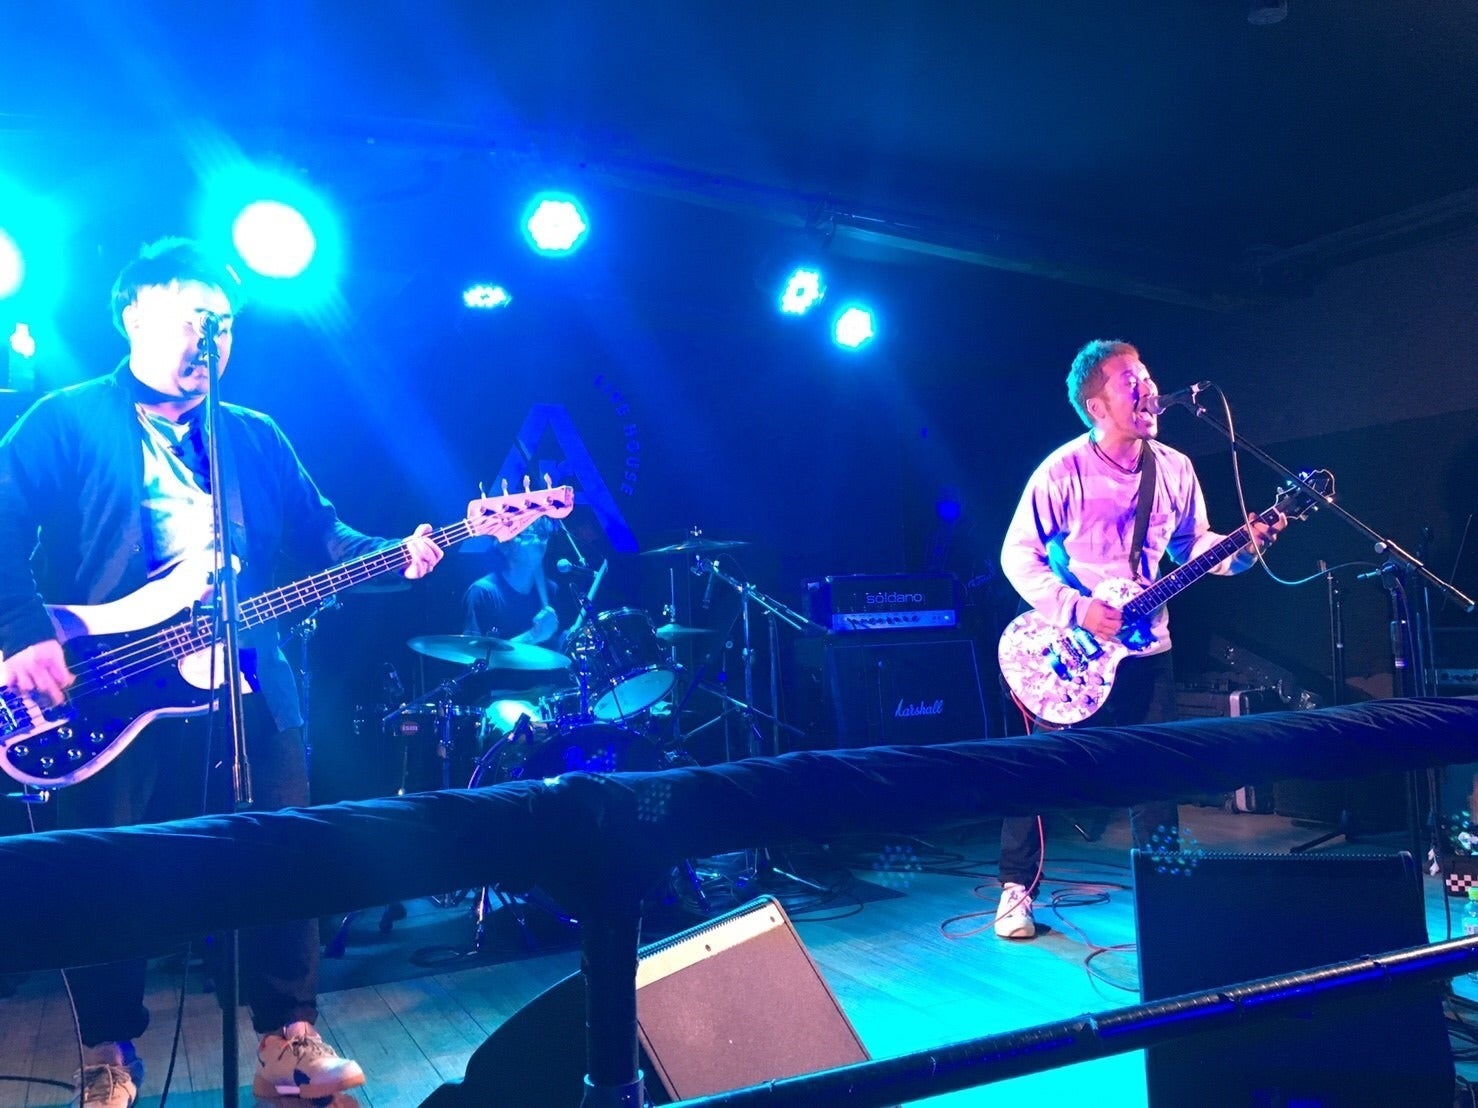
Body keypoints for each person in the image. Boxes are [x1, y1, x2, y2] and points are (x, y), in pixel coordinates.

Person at [0, 237, 444, 1104]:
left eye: (226, 324)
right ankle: (108, 1056)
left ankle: (288, 1039)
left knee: (284, 850)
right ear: (133, 314)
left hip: (247, 681)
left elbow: (325, 536)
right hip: (107, 682)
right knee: (106, 871)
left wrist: (400, 551)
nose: (211, 338)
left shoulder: (253, 436)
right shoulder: (66, 418)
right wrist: (22, 635)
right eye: (192, 318)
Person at [993, 339, 1283, 940]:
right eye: (1131, 380)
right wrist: (1077, 609)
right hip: (1067, 650)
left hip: (1146, 648)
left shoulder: (1174, 467)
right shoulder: (1062, 470)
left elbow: (1195, 548)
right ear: (1096, 406)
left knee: (1157, 774)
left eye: (1147, 375)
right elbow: (1016, 555)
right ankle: (1016, 888)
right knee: (1036, 771)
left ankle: (1165, 897)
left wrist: (1244, 548)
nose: (1148, 388)